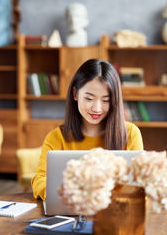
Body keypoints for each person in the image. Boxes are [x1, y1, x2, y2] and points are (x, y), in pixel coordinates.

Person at [31, 59, 143, 200]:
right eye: (89, 98)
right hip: (70, 209)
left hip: (117, 213)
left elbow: (140, 185)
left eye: (105, 100)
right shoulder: (56, 137)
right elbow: (40, 179)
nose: (97, 108)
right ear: (75, 94)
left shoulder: (131, 134)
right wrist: (63, 194)